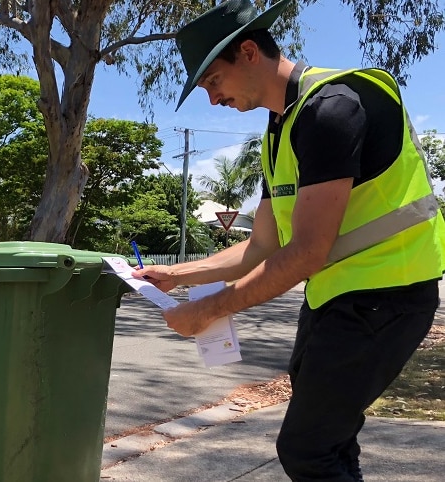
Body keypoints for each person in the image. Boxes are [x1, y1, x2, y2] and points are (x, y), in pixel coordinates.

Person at [132, 0, 445, 480]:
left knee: (308, 448)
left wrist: (209, 310)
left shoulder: (331, 109)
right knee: (329, 442)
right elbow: (262, 245)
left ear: (250, 52)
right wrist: (176, 275)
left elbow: (305, 252)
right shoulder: (281, 131)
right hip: (338, 298)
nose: (212, 100)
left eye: (213, 81)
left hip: (386, 295)